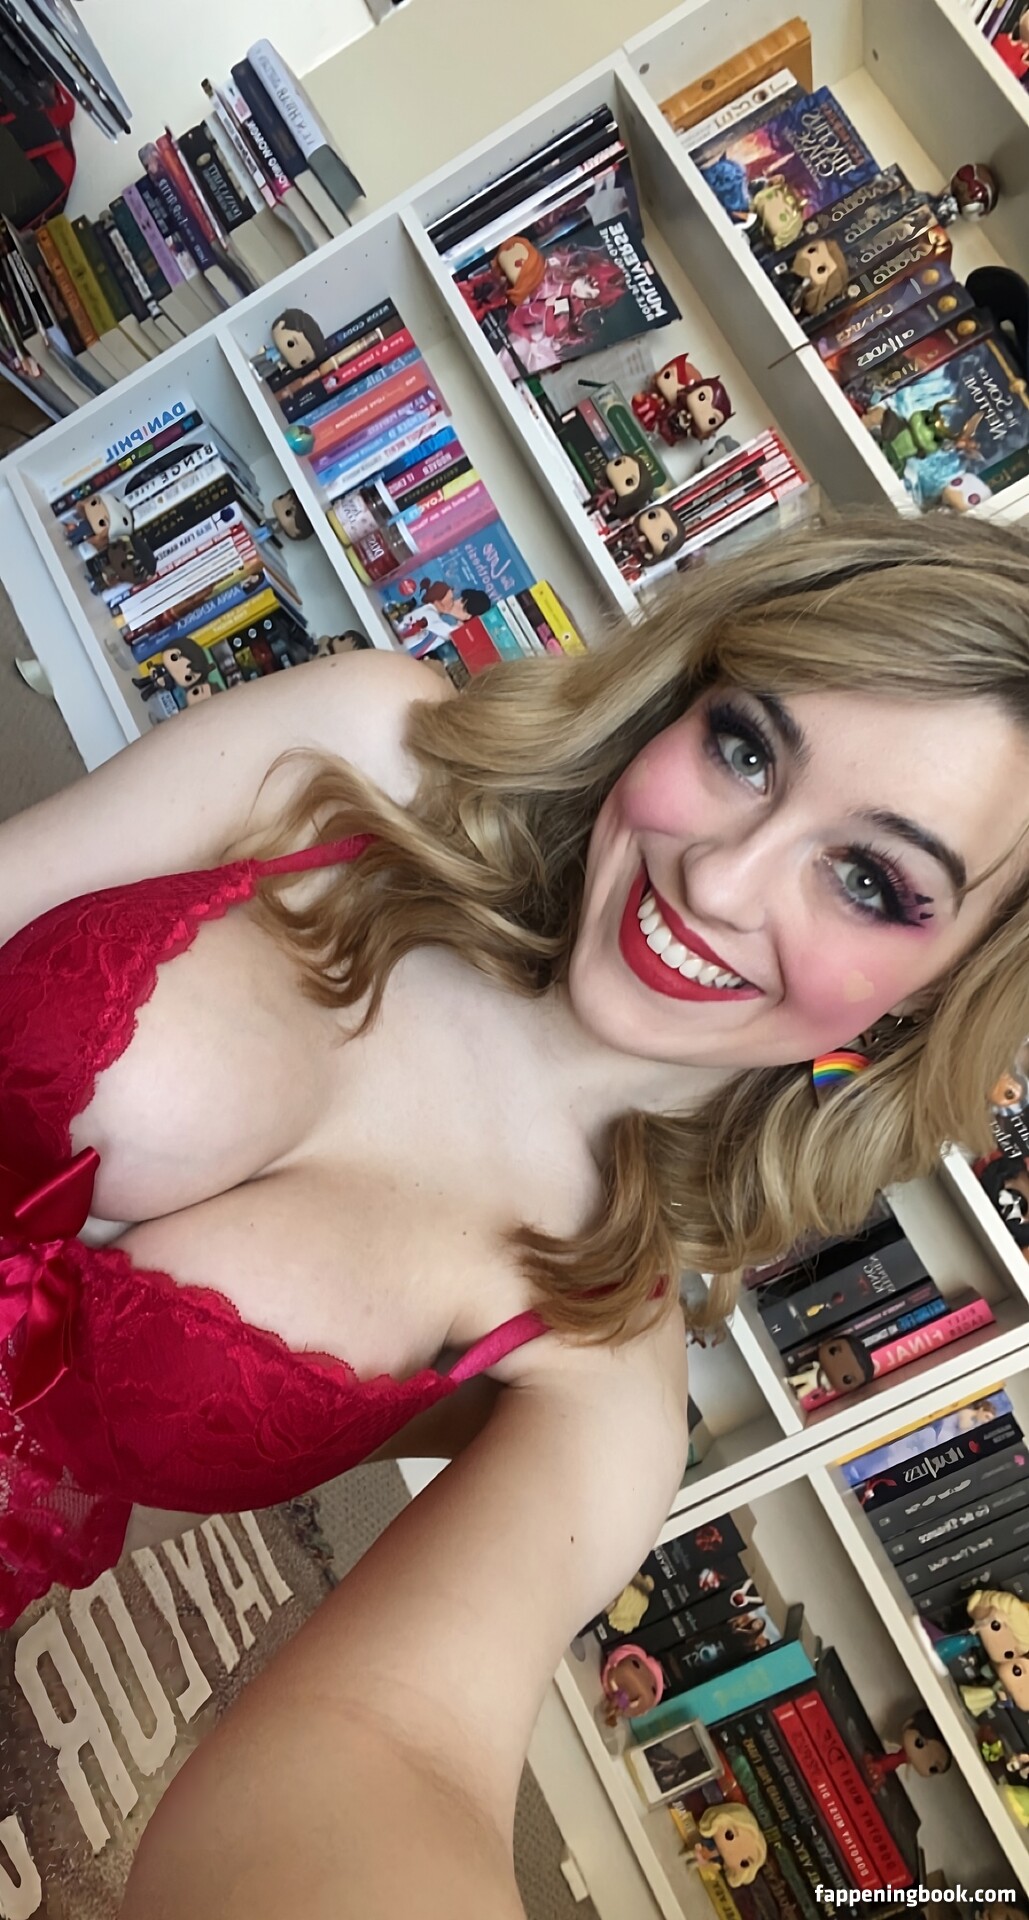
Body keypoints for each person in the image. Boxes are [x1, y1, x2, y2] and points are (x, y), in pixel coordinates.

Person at [6, 509, 1029, 1911]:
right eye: (745, 749)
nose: (719, 880)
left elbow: (397, 1752)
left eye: (869, 881)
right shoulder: (360, 755)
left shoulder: (596, 1371)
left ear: (934, 990)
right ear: (678, 700)